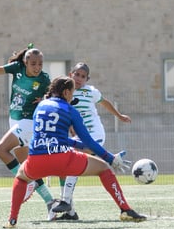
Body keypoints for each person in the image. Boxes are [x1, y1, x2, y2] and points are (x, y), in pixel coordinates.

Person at [3, 76, 146, 228]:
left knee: (21, 177)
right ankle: (125, 210)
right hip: (64, 159)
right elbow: (89, 142)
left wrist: (76, 144)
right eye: (72, 92)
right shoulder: (71, 110)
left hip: (36, 160)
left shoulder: (41, 106)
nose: (72, 96)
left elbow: (52, 136)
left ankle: (12, 220)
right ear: (65, 92)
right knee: (104, 168)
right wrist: (110, 158)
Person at [0, 45, 58, 220]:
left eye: (40, 64)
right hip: (15, 120)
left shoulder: (44, 80)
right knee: (27, 166)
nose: (37, 67)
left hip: (28, 122)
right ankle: (51, 202)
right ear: (25, 62)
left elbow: (54, 97)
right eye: (34, 64)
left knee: (1, 150)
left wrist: (45, 98)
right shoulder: (17, 68)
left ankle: (26, 182)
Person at [54, 62, 133, 220]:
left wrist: (119, 116)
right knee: (66, 165)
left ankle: (65, 201)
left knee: (73, 160)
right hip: (79, 136)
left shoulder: (91, 92)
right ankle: (70, 212)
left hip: (95, 134)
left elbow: (105, 103)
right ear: (71, 74)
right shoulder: (66, 93)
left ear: (87, 79)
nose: (79, 78)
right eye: (77, 74)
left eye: (83, 76)